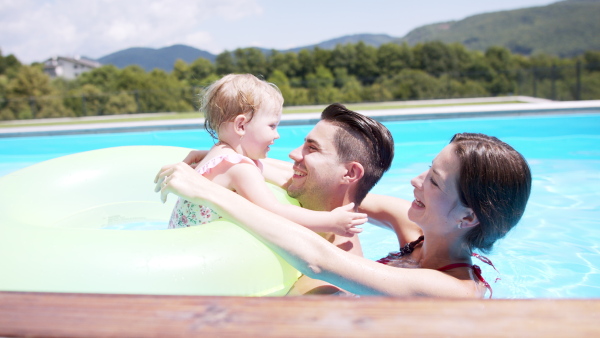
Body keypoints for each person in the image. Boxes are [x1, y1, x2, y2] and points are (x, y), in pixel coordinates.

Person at [156, 130, 531, 298]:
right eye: (427, 168)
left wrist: (207, 192)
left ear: (467, 218)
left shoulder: (452, 290)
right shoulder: (415, 224)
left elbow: (319, 261)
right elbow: (332, 188)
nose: (416, 181)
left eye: (433, 180)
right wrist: (228, 162)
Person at [164, 102, 395, 295]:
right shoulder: (302, 188)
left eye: (311, 149)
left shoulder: (327, 284)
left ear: (349, 173)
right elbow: (258, 166)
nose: (293, 154)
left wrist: (208, 192)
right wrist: (216, 157)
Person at [168, 74, 366, 238]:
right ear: (241, 125)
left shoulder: (216, 155)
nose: (276, 135)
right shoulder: (240, 168)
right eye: (272, 125)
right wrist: (331, 221)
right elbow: (276, 212)